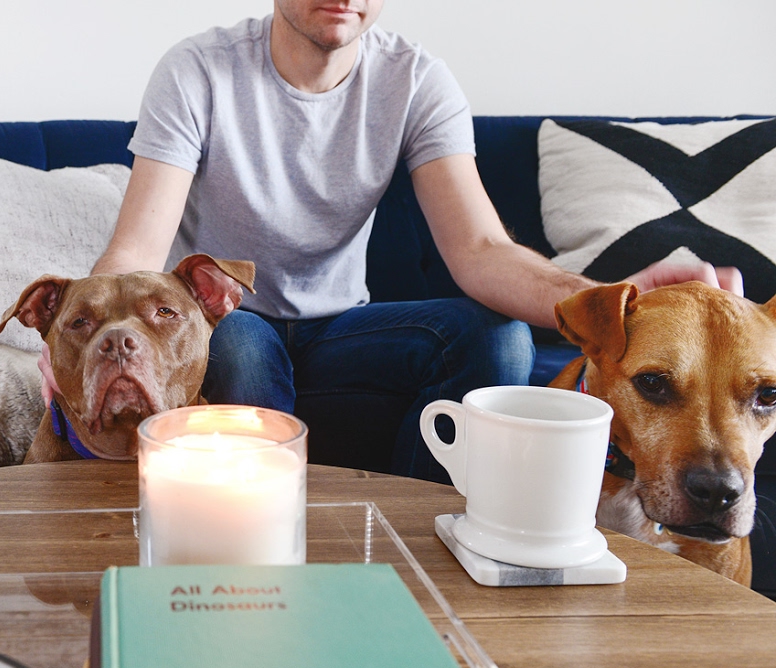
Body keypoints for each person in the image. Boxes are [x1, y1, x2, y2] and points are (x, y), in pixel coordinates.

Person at [47, 0, 742, 482]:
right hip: (232, 320)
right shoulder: (197, 70)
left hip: (346, 327)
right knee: (238, 347)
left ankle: (418, 541)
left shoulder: (415, 80)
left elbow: (481, 251)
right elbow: (137, 253)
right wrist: (70, 349)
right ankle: (275, 544)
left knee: (497, 337)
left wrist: (609, 302)